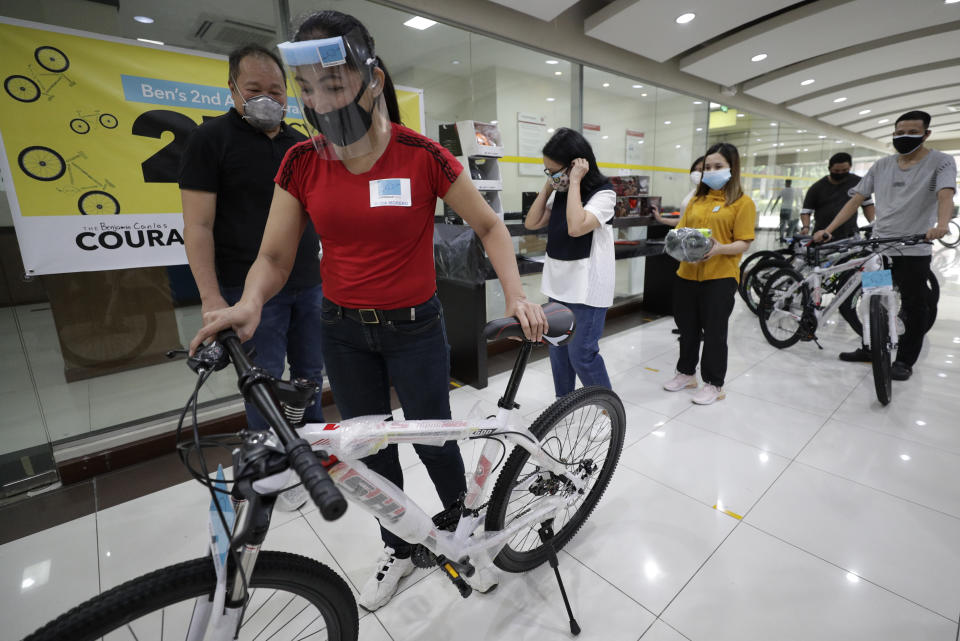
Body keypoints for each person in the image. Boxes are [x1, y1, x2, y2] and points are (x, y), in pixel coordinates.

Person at [189, 11, 547, 611]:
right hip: (343, 330)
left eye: (331, 84)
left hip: (415, 328)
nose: (316, 101)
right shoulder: (301, 162)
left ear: (371, 77)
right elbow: (274, 257)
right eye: (306, 89)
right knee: (370, 449)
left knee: (434, 440)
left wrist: (514, 293)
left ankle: (461, 540)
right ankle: (399, 547)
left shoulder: (420, 155)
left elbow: (488, 225)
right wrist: (249, 301)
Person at [179, 44, 324, 511]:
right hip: (250, 290)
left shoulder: (299, 144)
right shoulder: (210, 140)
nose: (268, 99)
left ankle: (311, 455)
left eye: (276, 91)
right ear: (233, 90)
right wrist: (210, 297)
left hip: (309, 282)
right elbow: (197, 226)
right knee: (263, 383)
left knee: (309, 377)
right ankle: (266, 470)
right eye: (255, 90)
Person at [813, 110, 957, 379]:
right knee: (871, 299)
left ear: (926, 134)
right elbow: (856, 200)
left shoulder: (941, 162)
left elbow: (945, 195)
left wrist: (942, 223)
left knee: (914, 306)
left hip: (913, 248)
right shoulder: (881, 165)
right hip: (879, 248)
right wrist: (828, 230)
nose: (905, 137)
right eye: (900, 131)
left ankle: (904, 360)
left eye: (913, 132)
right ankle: (870, 347)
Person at [524, 128, 615, 397]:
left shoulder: (605, 194)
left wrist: (574, 182)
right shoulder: (559, 191)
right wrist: (549, 184)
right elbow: (531, 222)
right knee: (558, 349)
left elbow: (576, 227)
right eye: (547, 170)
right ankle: (563, 403)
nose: (552, 175)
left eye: (554, 170)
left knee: (582, 354)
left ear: (577, 164)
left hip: (587, 289)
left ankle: (606, 406)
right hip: (559, 284)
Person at [662, 142, 755, 404]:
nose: (711, 171)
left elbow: (745, 242)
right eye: (707, 167)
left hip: (720, 276)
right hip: (687, 274)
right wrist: (675, 244)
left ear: (732, 169)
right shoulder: (695, 200)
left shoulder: (742, 203)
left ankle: (714, 383)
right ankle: (686, 373)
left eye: (718, 167)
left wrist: (720, 249)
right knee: (687, 328)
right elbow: (681, 230)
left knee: (714, 332)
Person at [800, 152, 876, 239]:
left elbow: (867, 204)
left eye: (844, 170)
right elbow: (806, 211)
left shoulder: (858, 183)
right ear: (829, 168)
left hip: (850, 235)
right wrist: (806, 227)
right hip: (823, 235)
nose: (840, 173)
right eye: (836, 171)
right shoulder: (817, 187)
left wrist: (872, 223)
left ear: (850, 167)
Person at [654, 156, 704, 228]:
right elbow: (682, 221)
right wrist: (660, 219)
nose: (696, 173)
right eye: (695, 170)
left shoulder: (711, 196)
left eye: (700, 170)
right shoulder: (693, 192)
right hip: (684, 235)